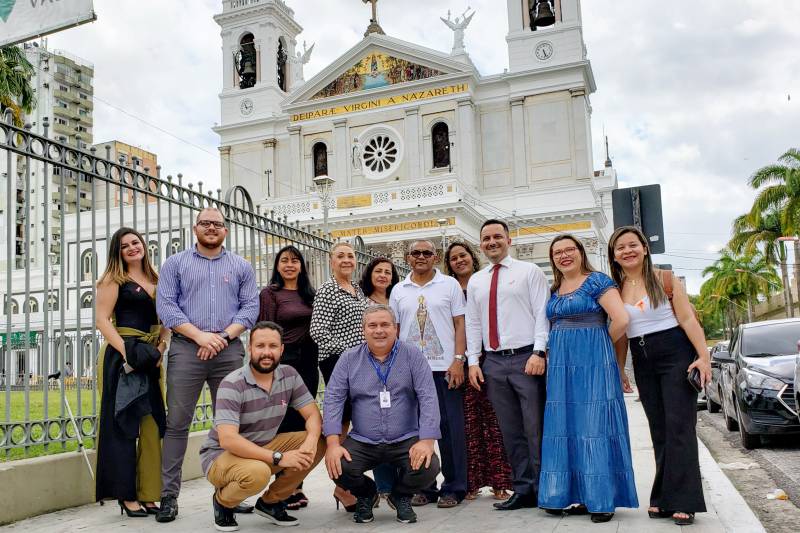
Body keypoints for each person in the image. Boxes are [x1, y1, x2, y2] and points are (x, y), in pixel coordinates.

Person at [155, 207, 260, 523]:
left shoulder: (241, 266)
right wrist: (201, 337)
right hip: (187, 350)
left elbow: (249, 309)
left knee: (230, 424)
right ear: (194, 228)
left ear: (225, 230)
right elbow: (167, 307)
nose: (212, 228)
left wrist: (222, 337)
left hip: (228, 352)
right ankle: (168, 497)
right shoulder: (175, 264)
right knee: (177, 423)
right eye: (206, 223)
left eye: (218, 224)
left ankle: (228, 494)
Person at [609, 226, 711, 526]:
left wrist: (703, 357)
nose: (627, 251)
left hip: (675, 354)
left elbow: (688, 319)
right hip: (643, 360)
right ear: (614, 255)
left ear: (644, 248)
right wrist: (620, 368)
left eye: (632, 245)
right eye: (620, 247)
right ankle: (663, 498)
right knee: (660, 430)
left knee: (680, 427)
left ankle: (685, 501)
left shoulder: (665, 280)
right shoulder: (616, 288)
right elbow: (622, 336)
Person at [538, 235, 638, 522]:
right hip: (562, 368)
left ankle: (601, 500)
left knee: (594, 426)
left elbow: (620, 319)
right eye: (558, 252)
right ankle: (573, 495)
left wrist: (598, 348)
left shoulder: (597, 281)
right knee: (566, 426)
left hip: (594, 363)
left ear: (581, 252)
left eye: (570, 249)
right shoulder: (555, 288)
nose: (564, 255)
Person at [200, 321, 326, 530]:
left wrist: (311, 442)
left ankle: (271, 502)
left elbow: (312, 414)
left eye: (273, 346)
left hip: (263, 445)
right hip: (221, 455)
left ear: (281, 349)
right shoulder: (233, 384)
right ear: (250, 348)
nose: (266, 352)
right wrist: (280, 457)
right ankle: (223, 502)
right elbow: (228, 439)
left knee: (319, 442)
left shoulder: (289, 375)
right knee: (258, 473)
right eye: (260, 346)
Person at [323, 305, 441, 525]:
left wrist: (426, 441)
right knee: (337, 465)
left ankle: (401, 495)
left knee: (429, 466)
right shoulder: (349, 359)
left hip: (404, 438)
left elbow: (428, 398)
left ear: (395, 328)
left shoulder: (413, 355)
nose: (379, 330)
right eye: (372, 325)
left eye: (385, 325)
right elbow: (332, 400)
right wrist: (332, 443)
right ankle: (367, 494)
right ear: (363, 330)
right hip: (363, 441)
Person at [465, 219, 549, 511]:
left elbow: (542, 313)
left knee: (535, 428)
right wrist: (473, 361)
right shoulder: (477, 280)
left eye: (497, 236)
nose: (492, 242)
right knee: (510, 430)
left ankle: (545, 489)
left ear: (508, 240)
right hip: (494, 364)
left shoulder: (529, 272)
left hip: (527, 358)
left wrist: (539, 352)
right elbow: (473, 322)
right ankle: (523, 489)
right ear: (481, 244)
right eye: (486, 238)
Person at [95, 227, 169, 516]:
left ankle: (149, 493)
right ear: (118, 251)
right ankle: (126, 496)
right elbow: (102, 321)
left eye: (135, 242)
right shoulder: (113, 280)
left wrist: (161, 348)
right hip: (121, 356)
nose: (132, 248)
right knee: (124, 423)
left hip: (150, 355)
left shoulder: (157, 279)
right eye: (125, 245)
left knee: (152, 423)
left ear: (143, 245)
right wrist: (128, 352)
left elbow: (167, 320)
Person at [389, 240, 467, 509]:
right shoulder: (399, 290)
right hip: (411, 371)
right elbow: (394, 331)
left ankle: (454, 487)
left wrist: (458, 360)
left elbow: (460, 324)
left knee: (449, 429)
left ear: (435, 257)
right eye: (415, 253)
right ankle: (424, 486)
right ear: (407, 257)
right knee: (416, 430)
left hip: (444, 368)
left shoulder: (449, 285)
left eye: (426, 253)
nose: (420, 257)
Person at [444, 241, 512, 501]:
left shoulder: (485, 281)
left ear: (472, 257)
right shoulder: (449, 289)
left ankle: (499, 481)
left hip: (490, 356)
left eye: (463, 255)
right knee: (468, 423)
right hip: (461, 360)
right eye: (453, 258)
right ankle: (470, 482)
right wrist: (459, 358)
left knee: (494, 420)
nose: (459, 261)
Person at [258, 245, 319, 511]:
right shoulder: (270, 294)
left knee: (303, 419)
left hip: (308, 361)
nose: (290, 265)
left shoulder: (311, 295)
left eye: (295, 261)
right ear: (277, 266)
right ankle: (283, 486)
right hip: (284, 360)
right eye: (284, 261)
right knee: (284, 421)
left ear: (302, 266)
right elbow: (264, 328)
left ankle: (297, 484)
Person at [309, 241, 368, 511]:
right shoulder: (327, 290)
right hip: (337, 363)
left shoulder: (358, 291)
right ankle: (342, 487)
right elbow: (318, 332)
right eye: (340, 256)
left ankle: (345, 485)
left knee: (362, 421)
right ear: (331, 261)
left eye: (350, 256)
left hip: (362, 364)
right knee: (340, 428)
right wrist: (350, 352)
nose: (346, 260)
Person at [359, 257, 402, 503]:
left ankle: (404, 484)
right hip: (370, 367)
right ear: (370, 274)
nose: (383, 275)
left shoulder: (398, 298)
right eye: (378, 271)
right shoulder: (362, 301)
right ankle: (385, 486)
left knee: (399, 423)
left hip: (397, 366)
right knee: (378, 424)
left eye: (388, 272)